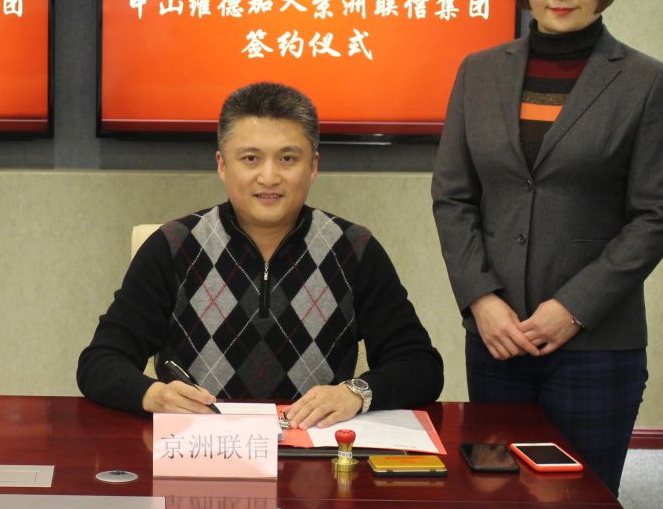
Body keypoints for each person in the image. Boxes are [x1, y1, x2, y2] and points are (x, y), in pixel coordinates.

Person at [431, 0, 663, 495]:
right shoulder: (478, 72)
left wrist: (571, 308)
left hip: (596, 342)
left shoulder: (647, 82)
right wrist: (481, 300)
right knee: (494, 501)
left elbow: (656, 216)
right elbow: (453, 197)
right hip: (498, 337)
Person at [77, 81, 443, 425]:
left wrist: (356, 392)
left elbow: (421, 365)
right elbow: (100, 361)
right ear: (222, 165)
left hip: (315, 454)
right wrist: (154, 395)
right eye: (251, 159)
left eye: (288, 159)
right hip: (202, 450)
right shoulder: (173, 246)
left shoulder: (353, 249)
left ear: (314, 166)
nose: (269, 177)